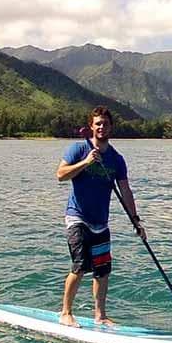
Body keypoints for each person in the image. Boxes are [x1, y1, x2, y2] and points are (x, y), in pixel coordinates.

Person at [55, 106, 144, 327]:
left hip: (100, 222)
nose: (102, 127)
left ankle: (100, 316)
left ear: (111, 127)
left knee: (102, 272)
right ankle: (65, 313)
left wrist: (136, 220)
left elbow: (125, 190)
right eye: (98, 124)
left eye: (105, 123)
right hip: (77, 218)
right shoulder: (77, 149)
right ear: (92, 127)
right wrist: (86, 162)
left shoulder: (116, 159)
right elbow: (60, 175)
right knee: (80, 266)